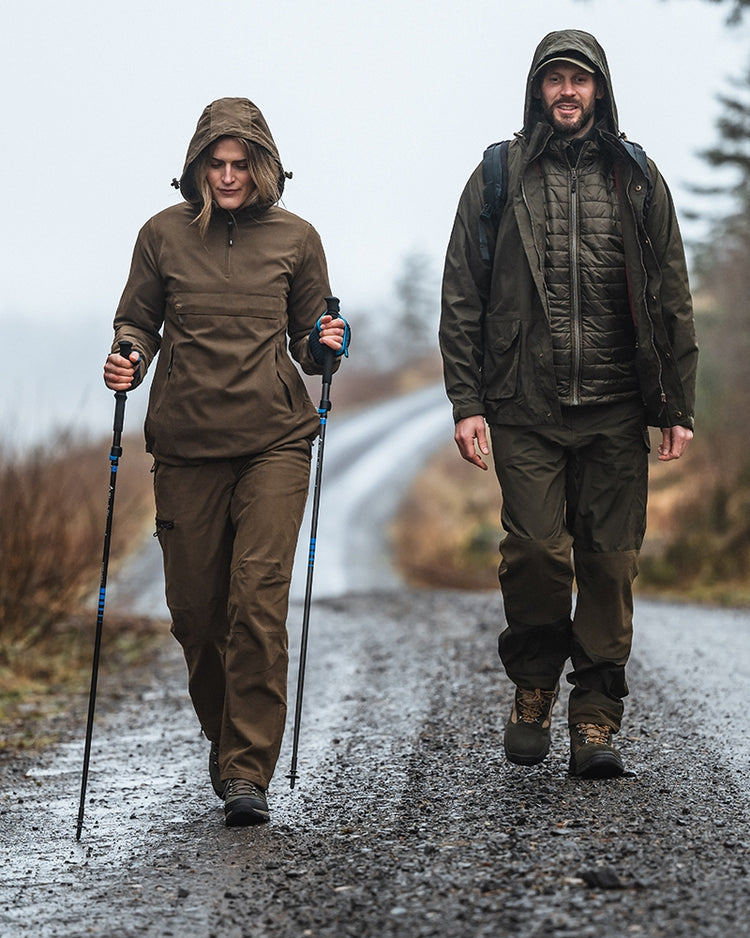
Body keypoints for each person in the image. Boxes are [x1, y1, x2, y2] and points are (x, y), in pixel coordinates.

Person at [439, 30, 697, 778]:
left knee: (611, 566)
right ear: (537, 90)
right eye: (554, 79)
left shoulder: (637, 177)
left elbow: (671, 294)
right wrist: (468, 400)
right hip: (526, 406)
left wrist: (675, 401)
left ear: (599, 90)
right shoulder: (496, 176)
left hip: (618, 408)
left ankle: (594, 719)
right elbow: (464, 296)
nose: (566, 92)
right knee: (536, 557)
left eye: (577, 80)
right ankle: (532, 686)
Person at [103, 97, 350, 826]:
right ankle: (226, 739)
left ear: (264, 166)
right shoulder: (162, 236)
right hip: (185, 444)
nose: (230, 176)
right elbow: (136, 322)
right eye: (218, 162)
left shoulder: (297, 238)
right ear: (197, 165)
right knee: (196, 615)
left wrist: (327, 342)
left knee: (257, 603)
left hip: (275, 441)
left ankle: (247, 771)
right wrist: (127, 358)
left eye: (243, 163)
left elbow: (310, 342)